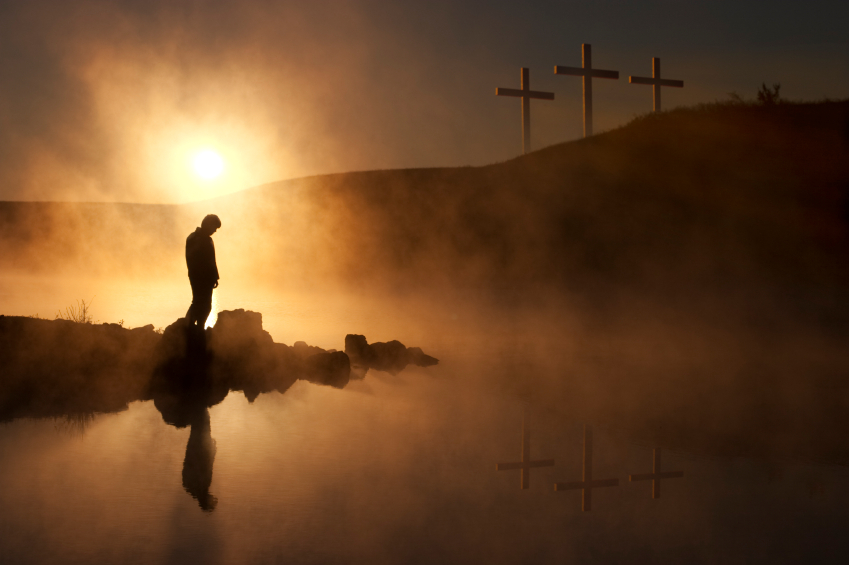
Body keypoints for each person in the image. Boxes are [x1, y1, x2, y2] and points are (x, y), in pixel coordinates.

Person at [185, 214, 221, 328]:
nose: (215, 231)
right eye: (214, 227)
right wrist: (213, 277)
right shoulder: (202, 239)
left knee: (198, 303)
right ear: (208, 224)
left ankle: (192, 326)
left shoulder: (193, 237)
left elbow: (210, 260)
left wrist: (215, 277)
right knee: (203, 305)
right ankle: (191, 326)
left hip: (198, 277)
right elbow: (208, 261)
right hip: (202, 278)